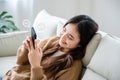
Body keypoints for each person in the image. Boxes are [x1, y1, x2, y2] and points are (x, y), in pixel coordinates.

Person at [3, 15, 98, 80]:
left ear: (80, 43)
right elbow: (20, 63)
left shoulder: (73, 66)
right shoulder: (53, 41)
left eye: (70, 37)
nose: (63, 37)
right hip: (11, 76)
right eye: (64, 30)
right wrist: (26, 48)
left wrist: (36, 66)